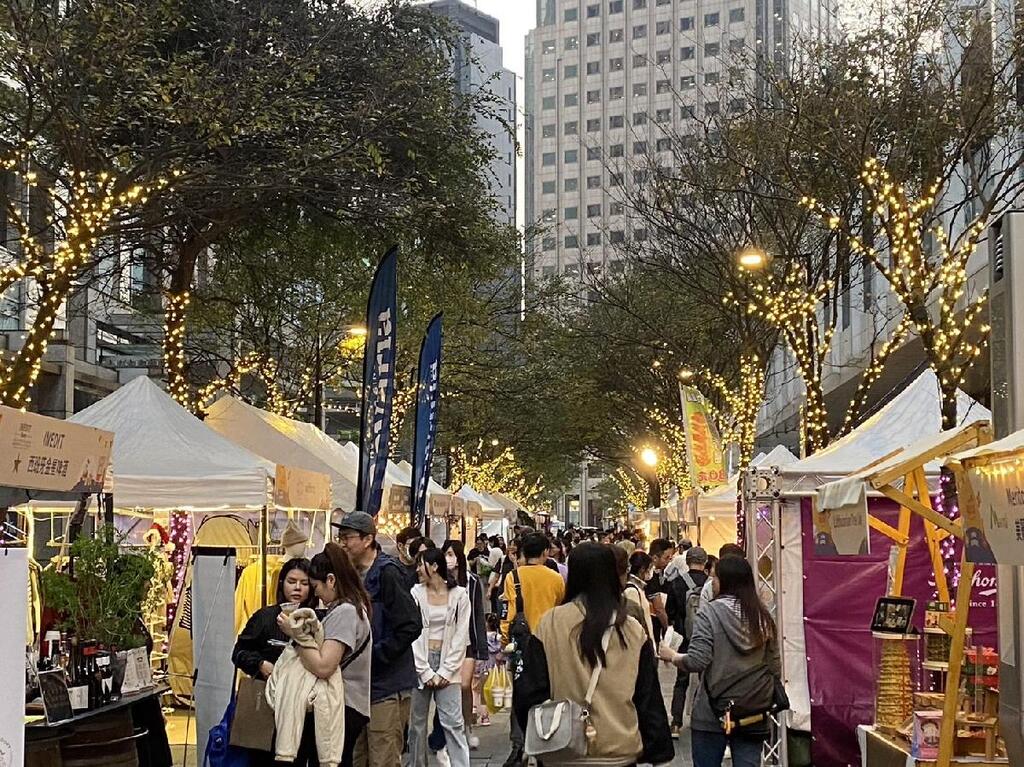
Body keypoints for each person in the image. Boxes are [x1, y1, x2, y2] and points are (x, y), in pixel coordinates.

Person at [514, 543, 674, 766]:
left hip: (561, 750)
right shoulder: (631, 629)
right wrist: (658, 751)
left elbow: (528, 692)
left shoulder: (550, 624)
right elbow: (647, 697)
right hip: (619, 750)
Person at [659, 556, 782, 767]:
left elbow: (697, 660)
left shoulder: (709, 613)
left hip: (712, 710)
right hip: (753, 710)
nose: (712, 582)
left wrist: (672, 656)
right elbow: (774, 668)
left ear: (725, 582)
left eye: (714, 578)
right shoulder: (763, 617)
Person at [334, 511, 423, 767]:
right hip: (358, 688)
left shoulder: (388, 573)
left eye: (347, 537)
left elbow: (410, 625)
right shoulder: (351, 575)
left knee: (383, 756)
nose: (343, 543)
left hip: (387, 686)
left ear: (368, 539)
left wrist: (377, 655)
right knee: (357, 757)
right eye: (340, 537)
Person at [273, 544, 373, 767]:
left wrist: (295, 634)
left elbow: (324, 666)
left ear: (331, 580)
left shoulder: (345, 612)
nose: (315, 592)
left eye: (315, 585)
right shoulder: (351, 608)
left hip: (341, 706)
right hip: (345, 706)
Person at [232, 558, 319, 767]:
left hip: (303, 708)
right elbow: (239, 652)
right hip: (266, 706)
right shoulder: (265, 617)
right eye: (292, 581)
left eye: (304, 583)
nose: (297, 588)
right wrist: (260, 664)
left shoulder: (317, 620)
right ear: (281, 583)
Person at [500, 532, 566, 767]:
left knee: (520, 692)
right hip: (549, 643)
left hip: (521, 645)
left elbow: (507, 614)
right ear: (546, 552)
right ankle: (547, 737)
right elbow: (560, 609)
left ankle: (520, 744)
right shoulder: (556, 578)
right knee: (548, 692)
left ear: (522, 552)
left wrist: (504, 641)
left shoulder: (513, 576)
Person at [408, 547, 473, 767]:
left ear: (434, 567)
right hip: (421, 659)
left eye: (421, 564)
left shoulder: (460, 595)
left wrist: (447, 670)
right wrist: (424, 670)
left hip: (449, 661)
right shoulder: (415, 594)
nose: (418, 569)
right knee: (416, 724)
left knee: (453, 722)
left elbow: (461, 634)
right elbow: (413, 633)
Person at [427, 540, 489, 759]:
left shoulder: (471, 582)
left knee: (463, 686)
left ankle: (466, 726)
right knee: (447, 688)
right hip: (442, 644)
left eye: (452, 554)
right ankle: (447, 734)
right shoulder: (436, 581)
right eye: (446, 554)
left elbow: (478, 614)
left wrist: (481, 649)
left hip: (467, 642)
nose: (448, 559)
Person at [665, 546, 709, 738]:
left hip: (684, 637)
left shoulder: (677, 583)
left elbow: (670, 612)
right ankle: (703, 719)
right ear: (705, 562)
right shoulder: (710, 584)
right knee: (706, 680)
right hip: (706, 637)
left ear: (687, 561)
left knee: (681, 681)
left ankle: (676, 723)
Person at [645, 538, 676, 642]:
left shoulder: (654, 571)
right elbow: (659, 609)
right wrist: (667, 629)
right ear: (655, 558)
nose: (668, 561)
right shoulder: (649, 576)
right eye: (666, 558)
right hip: (651, 626)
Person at [626, 550, 656, 644]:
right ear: (642, 569)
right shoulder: (632, 591)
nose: (650, 572)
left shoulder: (639, 588)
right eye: (650, 568)